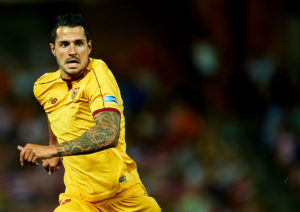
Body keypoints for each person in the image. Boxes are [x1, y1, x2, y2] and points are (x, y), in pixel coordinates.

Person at [17, 13, 161, 212]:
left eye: (79, 43)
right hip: (79, 200)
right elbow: (54, 111)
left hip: (122, 196)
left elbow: (108, 133)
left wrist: (52, 151)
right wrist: (53, 143)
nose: (72, 51)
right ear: (53, 49)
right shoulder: (43, 85)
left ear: (89, 47)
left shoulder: (98, 74)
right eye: (64, 44)